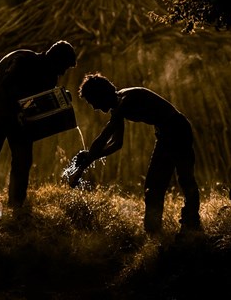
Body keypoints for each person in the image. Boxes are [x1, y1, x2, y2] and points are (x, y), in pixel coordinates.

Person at [72, 72, 201, 235]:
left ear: (101, 95)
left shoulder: (125, 100)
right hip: (165, 133)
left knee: (183, 178)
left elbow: (104, 137)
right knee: (154, 187)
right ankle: (154, 232)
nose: (95, 108)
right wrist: (91, 156)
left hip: (178, 130)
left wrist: (82, 167)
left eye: (93, 102)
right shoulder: (118, 105)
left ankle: (190, 223)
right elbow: (116, 144)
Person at [0, 40, 76, 219]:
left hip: (19, 120)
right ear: (54, 59)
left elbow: (38, 104)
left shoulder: (50, 75)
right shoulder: (23, 61)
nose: (63, 72)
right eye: (63, 67)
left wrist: (60, 99)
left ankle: (17, 204)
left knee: (23, 161)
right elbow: (2, 90)